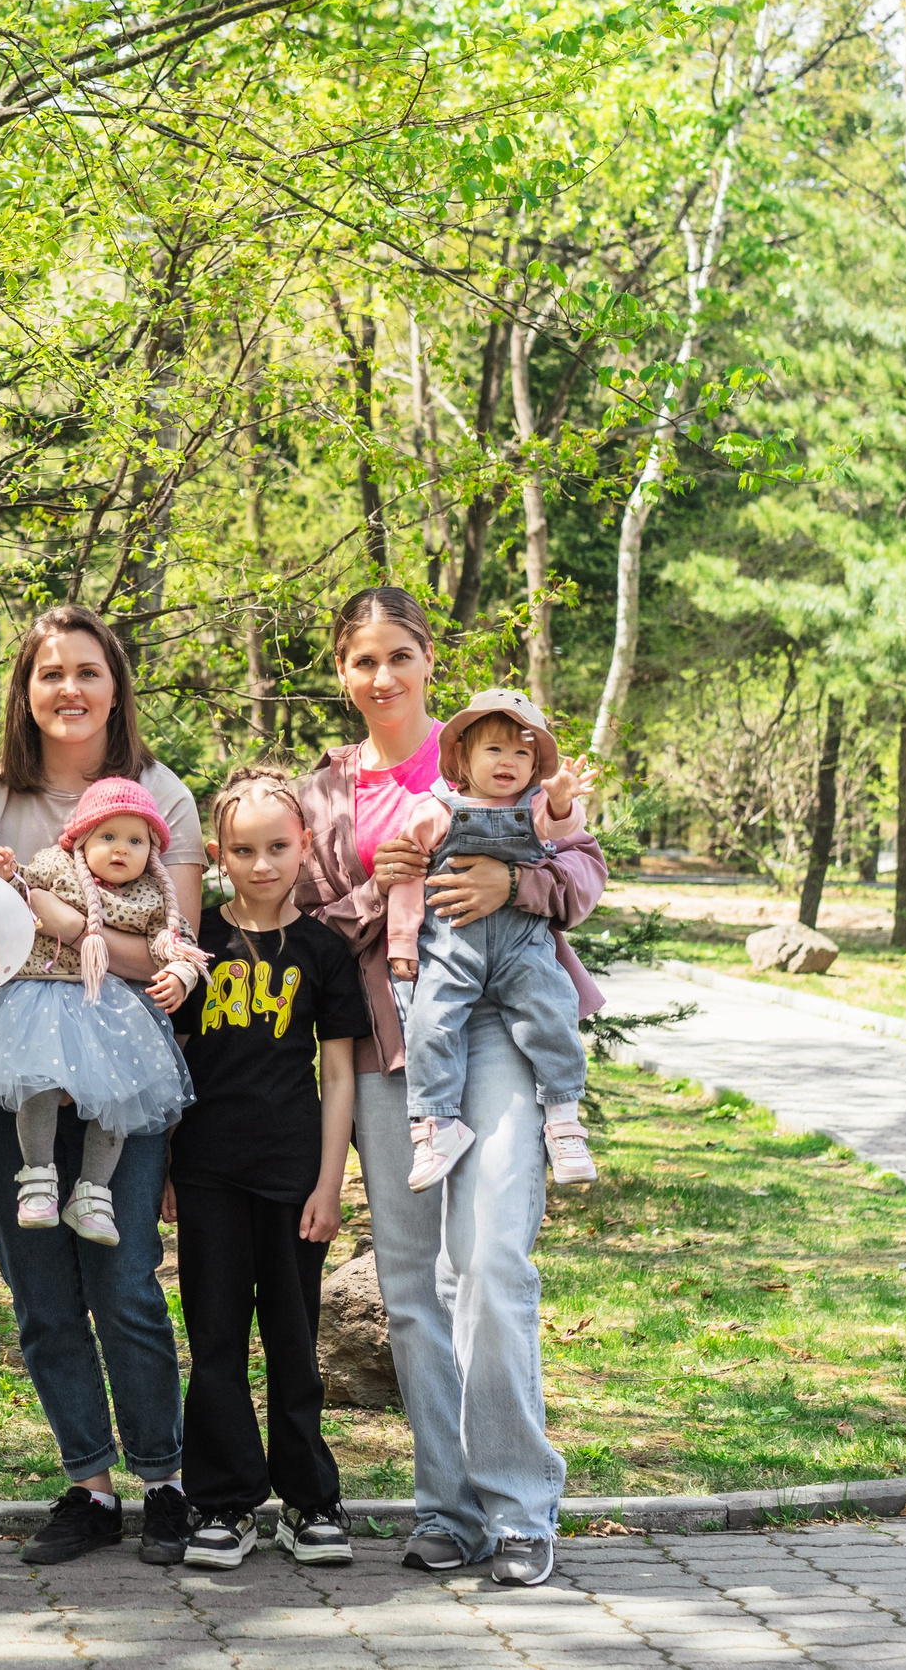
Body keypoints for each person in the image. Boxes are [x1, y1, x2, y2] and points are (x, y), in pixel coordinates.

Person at [294, 586, 607, 1589]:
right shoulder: (324, 790)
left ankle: (519, 1508)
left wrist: (515, 884)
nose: (382, 675)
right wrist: (381, 883)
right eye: (363, 659)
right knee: (413, 1287)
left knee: (491, 1259)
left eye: (400, 654)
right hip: (392, 1044)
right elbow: (301, 914)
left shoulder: (491, 742)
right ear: (342, 673)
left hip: (501, 1034)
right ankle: (449, 1509)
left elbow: (583, 870)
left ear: (428, 658)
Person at [0, 604, 202, 1567]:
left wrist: (58, 933)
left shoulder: (161, 794)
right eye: (50, 672)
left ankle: (166, 1480)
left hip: (122, 1071)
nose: (69, 688)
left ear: (115, 686)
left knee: (124, 1277)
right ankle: (89, 1487)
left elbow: (175, 951)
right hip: (13, 1068)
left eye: (88, 671)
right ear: (25, 690)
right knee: (40, 1289)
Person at [165, 768, 368, 1570]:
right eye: (243, 850)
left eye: (278, 847)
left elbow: (340, 1076)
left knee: (293, 1341)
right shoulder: (196, 946)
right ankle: (223, 1503)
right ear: (218, 855)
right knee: (214, 1339)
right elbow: (174, 1059)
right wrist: (168, 1165)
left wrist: (330, 1185)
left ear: (304, 846)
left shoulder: (323, 950)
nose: (261, 864)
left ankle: (310, 1499)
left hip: (293, 1178)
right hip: (209, 1173)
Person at [0, 777, 206, 1244]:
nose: (121, 849)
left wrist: (181, 975)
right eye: (108, 836)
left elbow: (182, 946)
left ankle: (93, 1193)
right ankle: (37, 1178)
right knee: (38, 1084)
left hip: (115, 1014)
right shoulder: (56, 866)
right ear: (80, 839)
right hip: (45, 999)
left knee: (117, 1101)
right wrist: (6, 876)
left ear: (152, 851)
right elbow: (19, 896)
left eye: (136, 841)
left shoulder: (152, 895)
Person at [385, 690, 600, 1189]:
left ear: (536, 766)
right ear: (462, 757)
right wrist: (401, 942)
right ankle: (437, 1125)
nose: (509, 761)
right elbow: (408, 877)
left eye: (522, 753)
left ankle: (563, 1122)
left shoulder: (536, 806)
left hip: (522, 947)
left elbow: (560, 828)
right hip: (450, 946)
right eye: (495, 749)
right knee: (429, 1022)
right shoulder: (435, 810)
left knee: (550, 1012)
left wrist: (561, 799)